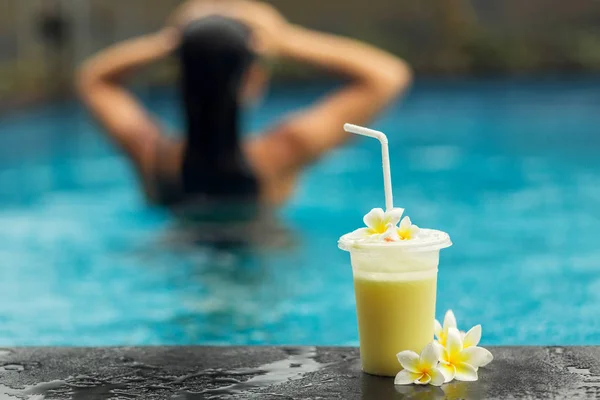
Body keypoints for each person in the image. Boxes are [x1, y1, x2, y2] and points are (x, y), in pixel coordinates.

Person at [77, 0, 412, 209]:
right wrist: (285, 38)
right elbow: (387, 75)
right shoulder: (281, 154)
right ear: (251, 81)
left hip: (174, 257)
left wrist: (175, 41)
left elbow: (93, 79)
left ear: (181, 78)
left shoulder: (152, 156)